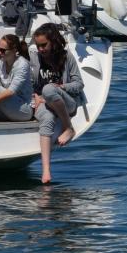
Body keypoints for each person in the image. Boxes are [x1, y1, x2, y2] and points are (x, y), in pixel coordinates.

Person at [30, 23, 85, 185]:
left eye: (44, 45)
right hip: (43, 101)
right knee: (46, 119)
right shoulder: (35, 58)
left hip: (65, 102)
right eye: (38, 46)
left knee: (48, 89)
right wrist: (35, 95)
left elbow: (79, 84)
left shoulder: (67, 57)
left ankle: (68, 128)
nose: (40, 49)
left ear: (53, 42)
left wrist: (61, 87)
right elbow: (29, 83)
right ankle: (46, 171)